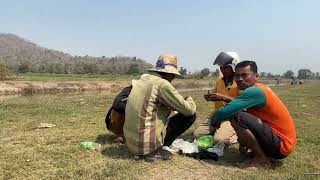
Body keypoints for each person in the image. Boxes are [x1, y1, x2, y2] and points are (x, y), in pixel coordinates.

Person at [209, 61, 296, 168]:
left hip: (281, 145)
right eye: (237, 75)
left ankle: (261, 159)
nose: (240, 79)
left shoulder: (255, 91)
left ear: (256, 76)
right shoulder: (257, 89)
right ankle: (259, 153)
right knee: (240, 114)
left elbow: (225, 112)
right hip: (280, 143)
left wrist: (214, 121)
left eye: (244, 75)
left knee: (236, 115)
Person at [123, 54, 197, 161]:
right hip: (145, 147)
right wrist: (189, 99)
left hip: (130, 142)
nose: (173, 78)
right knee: (191, 116)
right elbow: (189, 110)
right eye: (173, 75)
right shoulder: (162, 84)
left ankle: (151, 145)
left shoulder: (143, 79)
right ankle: (155, 151)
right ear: (169, 73)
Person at [194, 52, 240, 146]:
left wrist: (223, 98)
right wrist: (210, 96)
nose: (223, 70)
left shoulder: (240, 82)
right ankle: (220, 131)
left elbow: (242, 103)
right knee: (197, 135)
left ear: (234, 66)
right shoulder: (220, 80)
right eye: (221, 67)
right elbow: (215, 93)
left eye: (226, 67)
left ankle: (239, 133)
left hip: (232, 116)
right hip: (217, 113)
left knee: (219, 140)